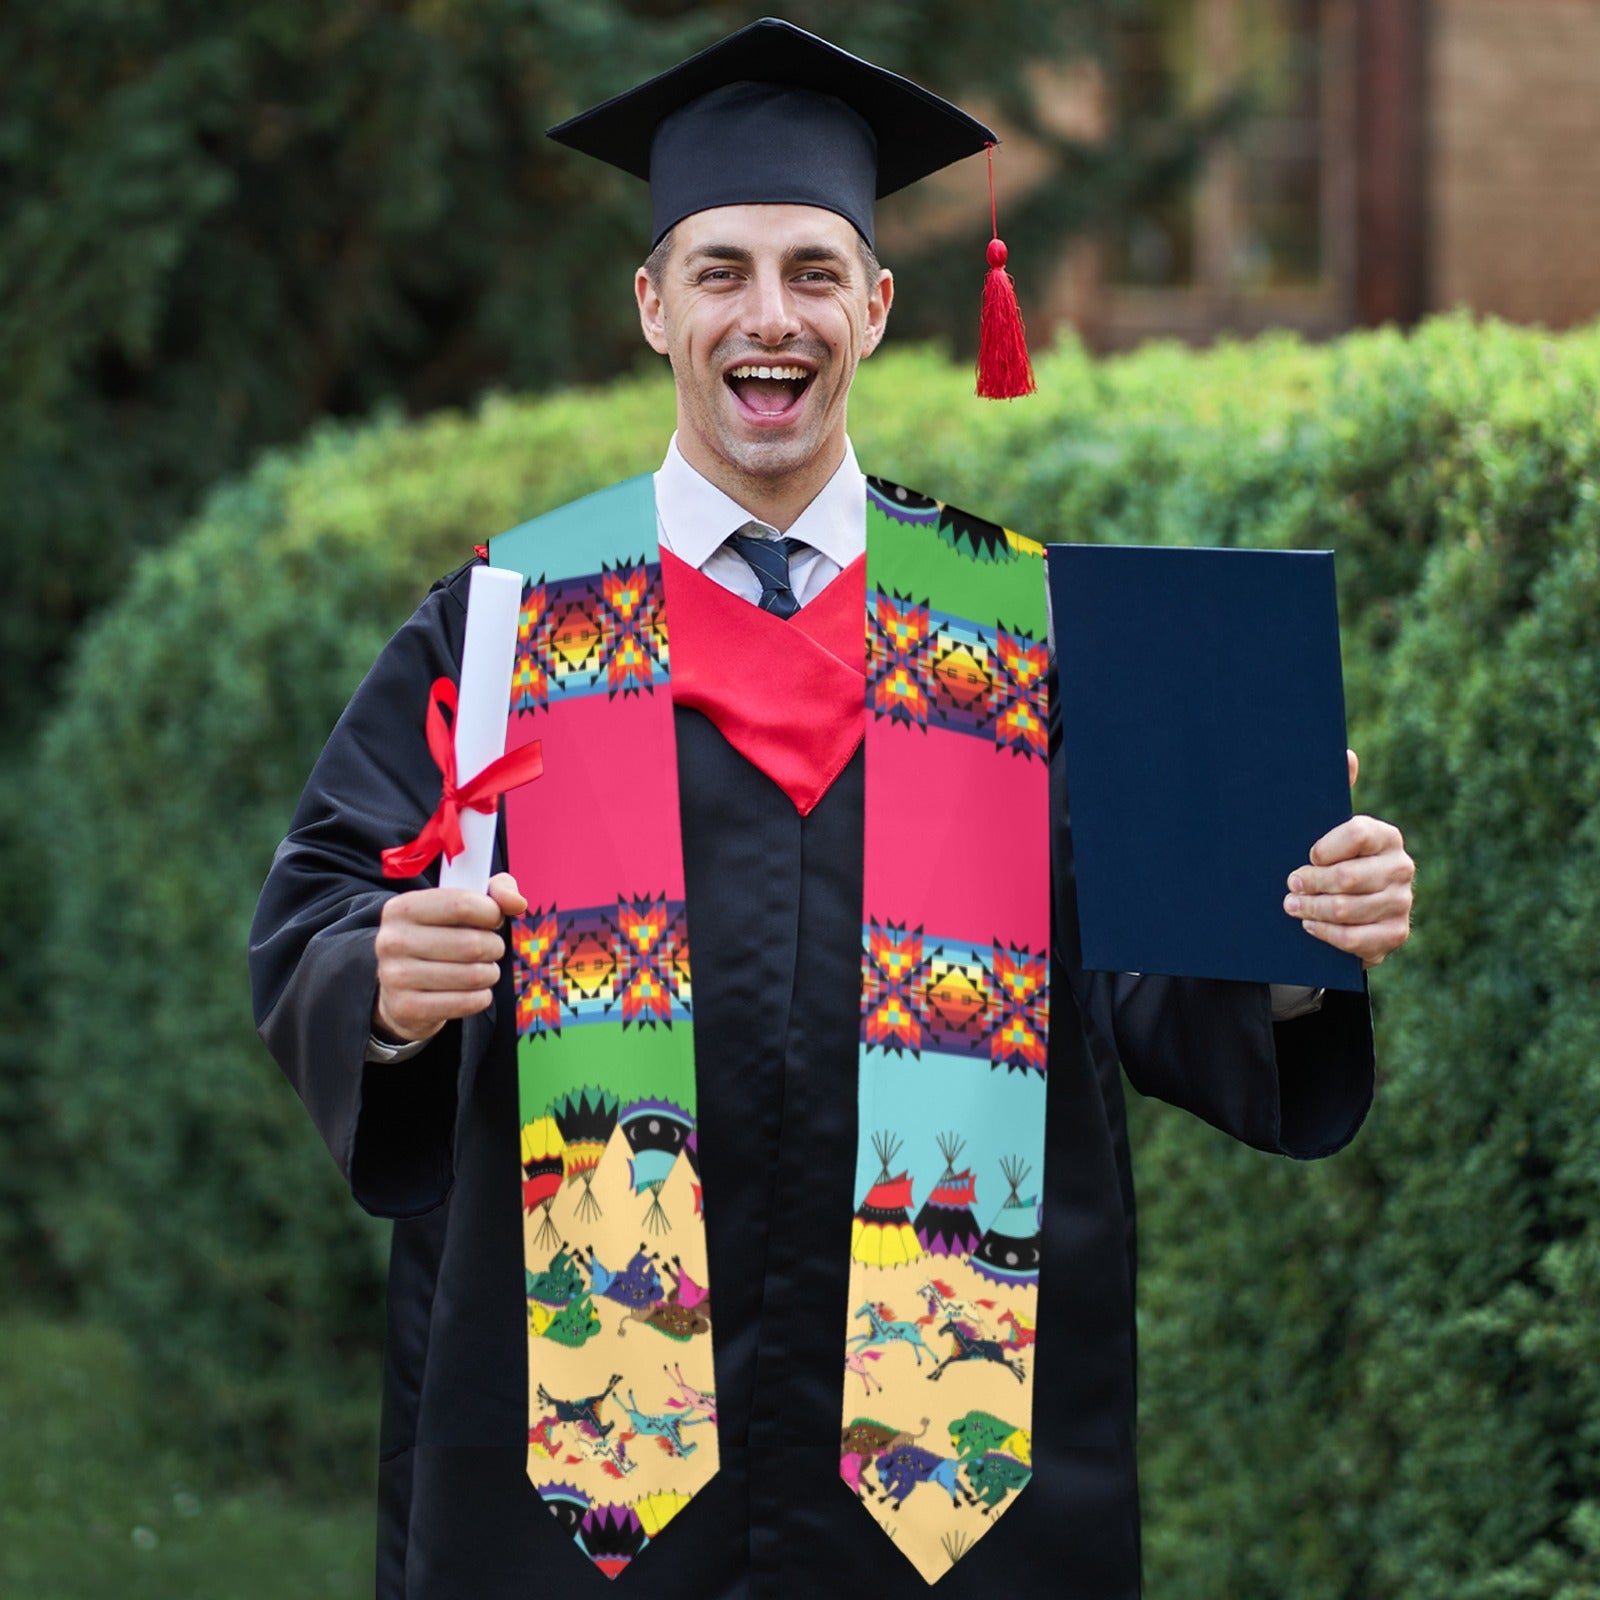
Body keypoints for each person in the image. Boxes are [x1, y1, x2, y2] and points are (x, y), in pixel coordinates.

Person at [249, 19, 1414, 1600]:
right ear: (654, 305)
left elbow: (1150, 978)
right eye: (721, 270)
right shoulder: (515, 622)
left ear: (876, 305)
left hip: (947, 1477)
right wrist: (380, 982)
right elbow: (323, 904)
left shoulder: (1022, 629)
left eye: (812, 271)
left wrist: (1291, 936)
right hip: (590, 1473)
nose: (768, 316)